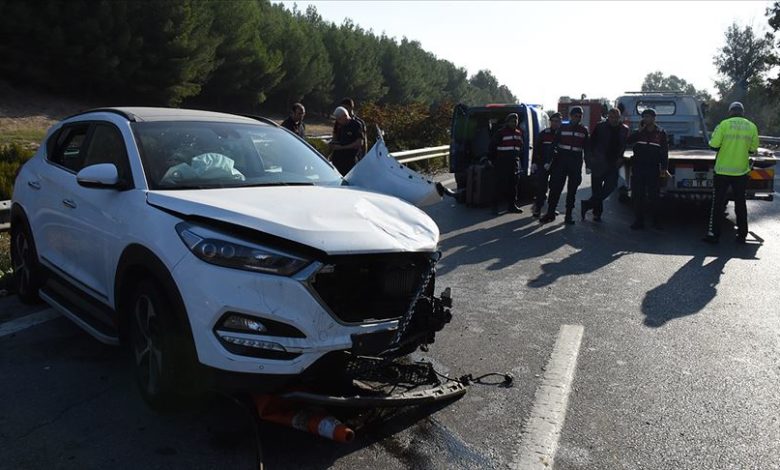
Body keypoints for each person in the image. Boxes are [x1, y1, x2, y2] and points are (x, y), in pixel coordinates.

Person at [702, 101, 759, 244]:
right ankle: (742, 235)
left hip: (722, 171)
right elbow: (753, 149)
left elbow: (713, 145)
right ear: (742, 112)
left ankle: (714, 235)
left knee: (718, 204)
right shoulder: (751, 126)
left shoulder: (724, 125)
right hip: (741, 172)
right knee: (740, 203)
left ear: (730, 112)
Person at [540, 106, 590, 224]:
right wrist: (548, 161)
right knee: (555, 188)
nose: (577, 118)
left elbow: (587, 149)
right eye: (575, 116)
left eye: (579, 116)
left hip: (575, 163)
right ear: (570, 116)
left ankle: (568, 216)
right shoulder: (562, 127)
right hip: (561, 162)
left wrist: (588, 165)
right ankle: (550, 213)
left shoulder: (584, 130)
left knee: (572, 191)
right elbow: (553, 145)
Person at [581, 108, 629, 221]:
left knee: (610, 187)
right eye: (611, 117)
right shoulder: (600, 127)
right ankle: (597, 213)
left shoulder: (624, 129)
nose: (614, 119)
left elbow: (624, 145)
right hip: (599, 163)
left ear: (620, 117)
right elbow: (591, 144)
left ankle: (587, 204)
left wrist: (621, 157)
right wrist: (590, 160)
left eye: (616, 117)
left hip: (613, 163)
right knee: (597, 189)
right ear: (608, 117)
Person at [625, 108, 669, 230]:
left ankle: (656, 222)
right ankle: (639, 221)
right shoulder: (639, 132)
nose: (646, 119)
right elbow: (628, 141)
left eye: (649, 117)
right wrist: (638, 132)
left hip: (653, 168)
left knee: (654, 196)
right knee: (638, 195)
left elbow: (664, 152)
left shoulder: (661, 133)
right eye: (644, 117)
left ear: (654, 118)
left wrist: (664, 168)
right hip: (638, 167)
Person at [488, 113, 524, 214]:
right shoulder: (501, 133)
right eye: (512, 121)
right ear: (507, 122)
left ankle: (512, 206)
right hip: (502, 163)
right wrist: (492, 160)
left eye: (516, 121)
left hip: (514, 163)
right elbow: (492, 147)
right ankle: (494, 207)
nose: (514, 123)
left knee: (513, 185)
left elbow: (520, 147)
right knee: (499, 185)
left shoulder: (519, 133)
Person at [531, 112, 562, 217]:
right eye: (553, 121)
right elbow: (537, 148)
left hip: (557, 165)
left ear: (560, 122)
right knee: (541, 187)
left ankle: (551, 209)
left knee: (554, 188)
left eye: (557, 121)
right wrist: (535, 162)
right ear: (550, 122)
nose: (555, 123)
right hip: (543, 164)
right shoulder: (544, 134)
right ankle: (538, 208)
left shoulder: (562, 134)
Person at [328, 106, 365, 176]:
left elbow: (359, 143)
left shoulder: (355, 125)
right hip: (337, 159)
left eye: (339, 119)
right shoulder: (338, 125)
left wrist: (342, 147)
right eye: (337, 119)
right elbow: (335, 138)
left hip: (349, 160)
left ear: (345, 116)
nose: (338, 121)